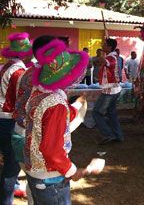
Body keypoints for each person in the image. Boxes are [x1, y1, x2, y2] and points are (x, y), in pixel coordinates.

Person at [24, 38, 89, 204]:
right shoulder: (55, 103)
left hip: (35, 171)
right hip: (49, 178)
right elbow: (51, 150)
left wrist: (76, 104)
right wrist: (72, 171)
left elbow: (57, 119)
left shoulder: (39, 93)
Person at [11, 35, 56, 205]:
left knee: (34, 186)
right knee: (41, 187)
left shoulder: (29, 72)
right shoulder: (45, 75)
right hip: (31, 138)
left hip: (20, 133)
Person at [0, 32, 33, 205]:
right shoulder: (19, 72)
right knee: (11, 165)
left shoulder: (6, 66)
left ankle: (11, 189)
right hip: (7, 119)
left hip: (2, 117)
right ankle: (5, 200)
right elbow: (23, 100)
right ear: (25, 53)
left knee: (7, 159)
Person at [93, 38, 124, 145]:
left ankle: (108, 134)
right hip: (114, 89)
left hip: (110, 91)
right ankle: (118, 135)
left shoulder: (111, 57)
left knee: (96, 112)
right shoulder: (113, 56)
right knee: (112, 113)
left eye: (104, 44)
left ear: (109, 47)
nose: (102, 45)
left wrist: (99, 55)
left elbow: (104, 62)